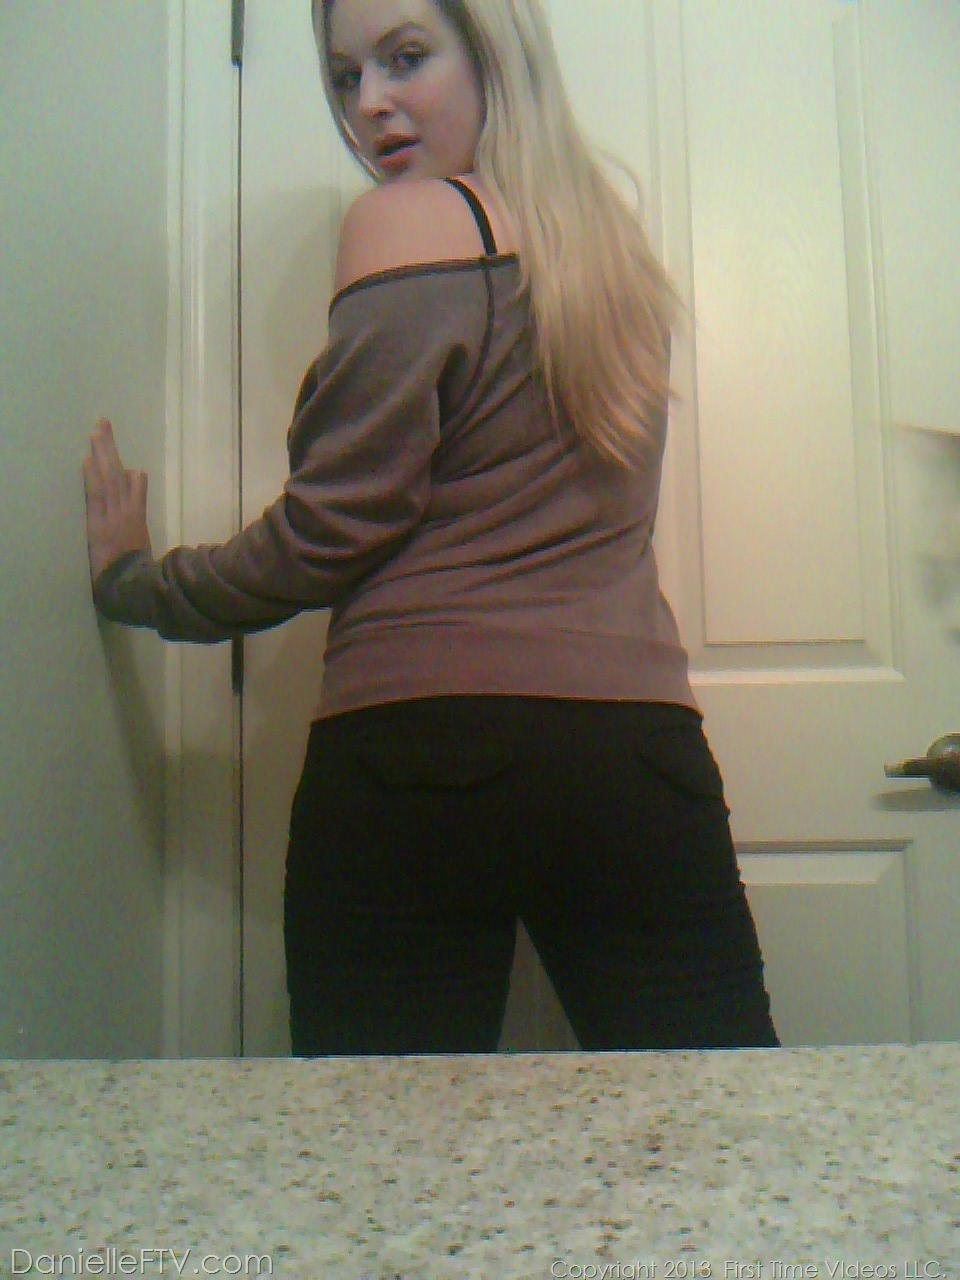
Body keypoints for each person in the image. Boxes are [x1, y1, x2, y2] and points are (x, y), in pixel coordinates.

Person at [83, 0, 779, 1055]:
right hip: (636, 760)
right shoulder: (615, 256)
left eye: (405, 57)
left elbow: (332, 527)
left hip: (420, 754)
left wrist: (138, 581)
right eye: (344, 76)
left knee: (377, 1148)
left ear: (493, 50)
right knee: (717, 1130)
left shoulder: (405, 218)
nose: (370, 104)